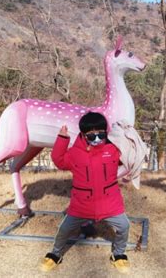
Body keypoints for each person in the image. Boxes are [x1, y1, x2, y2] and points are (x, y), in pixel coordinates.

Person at [39, 112, 131, 274]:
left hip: (110, 203)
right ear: (82, 135)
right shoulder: (75, 153)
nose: (97, 138)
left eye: (100, 134)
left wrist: (129, 135)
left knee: (124, 226)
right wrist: (62, 139)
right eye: (91, 135)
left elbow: (129, 154)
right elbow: (59, 160)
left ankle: (119, 254)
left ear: (106, 132)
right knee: (64, 229)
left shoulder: (113, 149)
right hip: (82, 205)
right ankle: (56, 253)